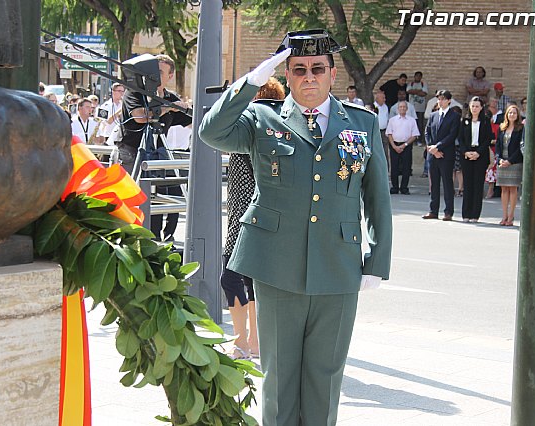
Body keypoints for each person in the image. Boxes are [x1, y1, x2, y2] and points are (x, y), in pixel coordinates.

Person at [199, 29, 392, 425]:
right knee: (279, 378)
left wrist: (376, 261)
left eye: (317, 69)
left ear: (332, 74)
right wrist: (252, 80)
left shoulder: (361, 123)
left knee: (325, 378)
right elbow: (211, 132)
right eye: (299, 69)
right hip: (276, 265)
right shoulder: (261, 117)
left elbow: (377, 200)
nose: (309, 76)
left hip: (338, 267)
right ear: (287, 75)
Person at [222, 77, 286, 361]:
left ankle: (242, 342)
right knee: (250, 280)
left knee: (232, 277)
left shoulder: (253, 129)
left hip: (246, 214)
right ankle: (252, 342)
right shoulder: (262, 129)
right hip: (249, 212)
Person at [121, 54, 192, 241]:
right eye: (153, 71)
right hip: (132, 153)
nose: (154, 76)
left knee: (159, 198)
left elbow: (191, 120)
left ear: (170, 76)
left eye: (160, 72)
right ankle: (129, 238)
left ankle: (157, 238)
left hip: (158, 155)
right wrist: (169, 108)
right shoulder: (135, 92)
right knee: (130, 198)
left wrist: (186, 107)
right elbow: (139, 116)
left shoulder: (170, 97)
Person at [423, 90, 460, 221]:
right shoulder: (433, 115)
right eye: (439, 98)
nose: (440, 101)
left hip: (445, 154)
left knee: (447, 183)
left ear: (449, 100)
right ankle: (433, 210)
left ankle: (448, 211)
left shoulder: (454, 116)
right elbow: (427, 132)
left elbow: (452, 135)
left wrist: (438, 147)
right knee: (434, 183)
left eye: (443, 99)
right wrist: (431, 148)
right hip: (433, 154)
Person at [458, 97, 494, 222]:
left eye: (477, 106)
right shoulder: (464, 120)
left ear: (481, 108)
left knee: (477, 185)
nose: (474, 109)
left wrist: (478, 152)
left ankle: (475, 215)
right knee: (467, 185)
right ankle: (466, 214)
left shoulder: (485, 121)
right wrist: (466, 152)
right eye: (472, 106)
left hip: (480, 156)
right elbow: (460, 139)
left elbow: (488, 139)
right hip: (467, 155)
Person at [495, 104, 524, 226]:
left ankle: (511, 216)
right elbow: (497, 146)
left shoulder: (520, 128)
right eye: (510, 112)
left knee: (513, 189)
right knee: (504, 189)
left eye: (514, 113)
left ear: (517, 115)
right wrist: (499, 159)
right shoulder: (501, 128)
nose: (512, 115)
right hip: (503, 163)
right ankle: (504, 215)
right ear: (506, 114)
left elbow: (520, 147)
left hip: (514, 162)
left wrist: (510, 161)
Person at [386, 101, 420, 194]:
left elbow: (414, 135)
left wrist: (404, 145)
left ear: (407, 109)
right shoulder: (392, 120)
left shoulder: (411, 120)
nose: (402, 109)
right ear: (397, 109)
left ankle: (404, 187)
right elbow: (389, 134)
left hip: (406, 146)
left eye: (404, 107)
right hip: (394, 145)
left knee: (406, 167)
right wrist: (394, 146)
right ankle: (395, 187)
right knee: (394, 167)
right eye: (400, 107)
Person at [406, 71, 428, 145]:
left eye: (419, 76)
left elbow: (424, 93)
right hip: (411, 109)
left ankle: (420, 140)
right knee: (411, 124)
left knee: (420, 125)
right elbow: (408, 91)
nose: (418, 77)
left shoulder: (423, 84)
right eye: (416, 76)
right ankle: (412, 140)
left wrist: (414, 91)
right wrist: (419, 91)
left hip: (420, 109)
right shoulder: (411, 84)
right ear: (414, 76)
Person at [374, 90, 390, 173]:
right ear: (377, 98)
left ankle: (386, 170)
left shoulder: (385, 107)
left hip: (384, 131)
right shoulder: (373, 107)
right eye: (383, 98)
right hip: (376, 131)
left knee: (385, 150)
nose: (384, 99)